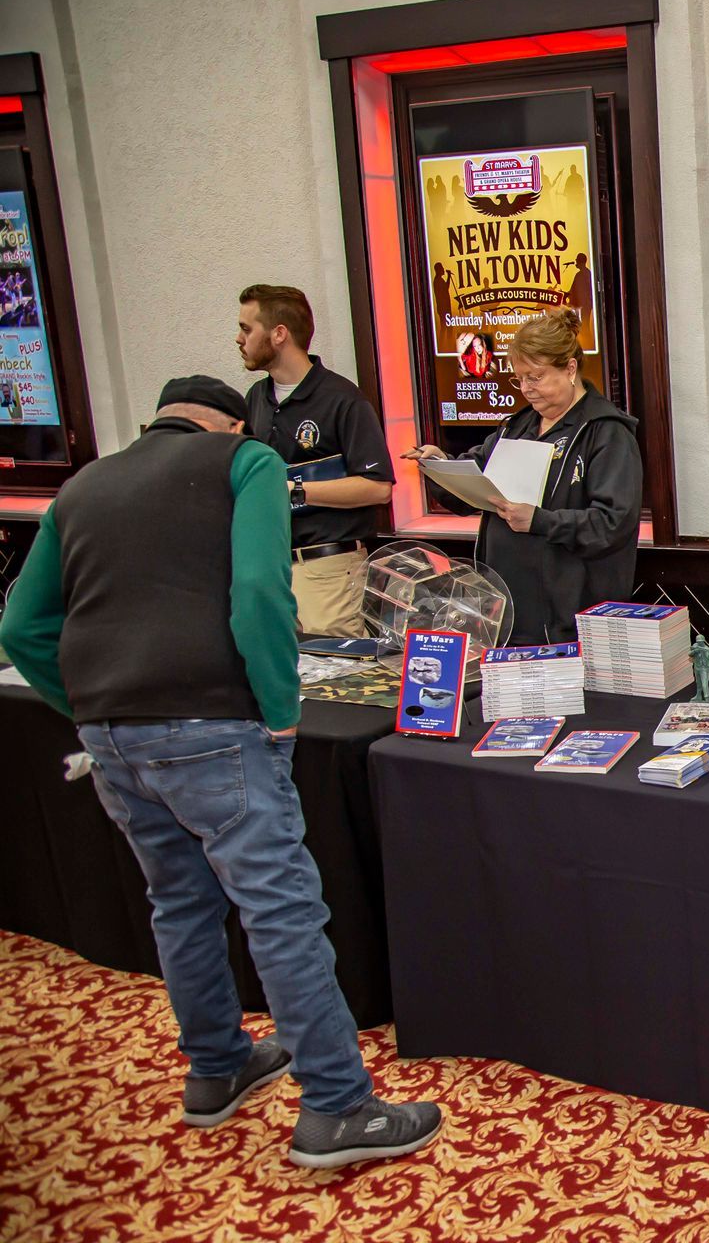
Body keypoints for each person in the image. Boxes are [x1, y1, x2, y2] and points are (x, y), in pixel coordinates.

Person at [0, 375, 441, 1168]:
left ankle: (216, 1066)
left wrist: (90, 706)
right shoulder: (247, 463)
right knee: (281, 910)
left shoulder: (83, 483)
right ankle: (338, 1105)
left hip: (111, 734)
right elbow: (258, 593)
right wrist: (278, 706)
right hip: (215, 722)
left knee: (177, 901)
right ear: (231, 422)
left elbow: (23, 626)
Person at [404, 307, 641, 644]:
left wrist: (539, 520)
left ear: (570, 368)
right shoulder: (518, 426)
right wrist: (440, 466)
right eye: (519, 378)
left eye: (536, 376)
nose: (526, 388)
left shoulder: (605, 433)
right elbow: (473, 478)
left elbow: (612, 524)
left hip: (568, 615)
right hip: (506, 608)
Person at [237, 284, 393, 638]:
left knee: (339, 678)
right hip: (270, 565)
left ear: (279, 334)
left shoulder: (342, 399)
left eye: (247, 328)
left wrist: (294, 490)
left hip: (327, 568)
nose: (238, 338)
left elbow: (378, 487)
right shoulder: (256, 398)